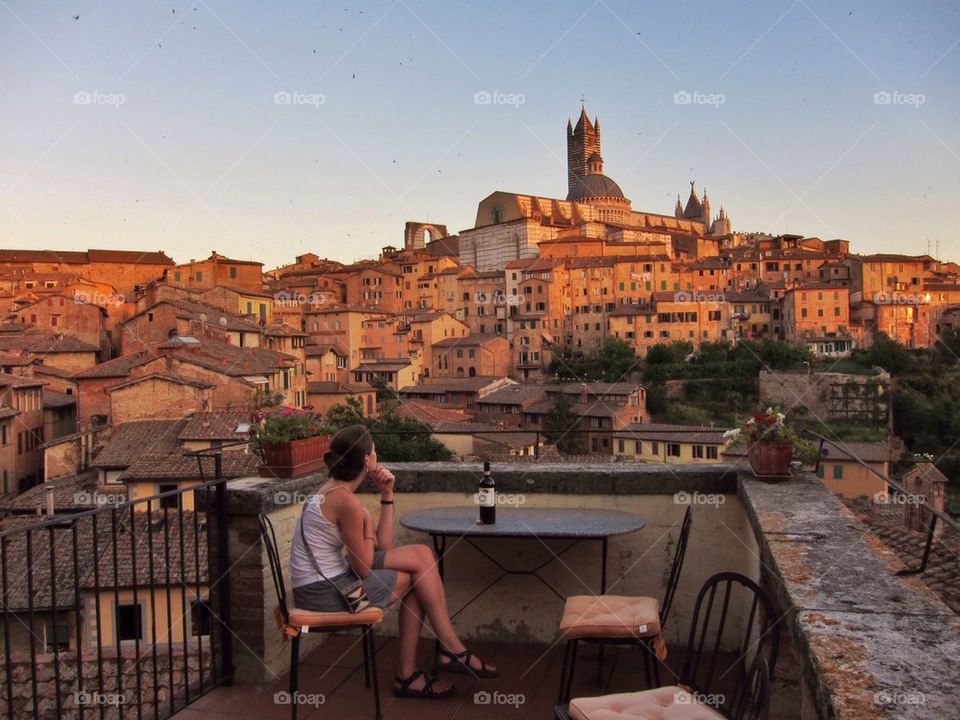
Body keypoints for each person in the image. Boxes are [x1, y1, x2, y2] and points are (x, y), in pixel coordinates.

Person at [289, 424, 498, 700]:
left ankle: (445, 653)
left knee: (422, 556)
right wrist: (364, 519)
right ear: (366, 460)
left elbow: (382, 548)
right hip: (323, 597)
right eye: (374, 450)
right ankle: (422, 666)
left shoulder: (333, 491)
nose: (376, 454)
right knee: (416, 580)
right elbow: (363, 567)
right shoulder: (345, 502)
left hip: (325, 584)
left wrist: (387, 496)